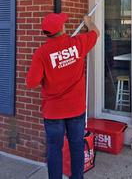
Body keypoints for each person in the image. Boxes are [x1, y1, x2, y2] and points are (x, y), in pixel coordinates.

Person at [26, 12, 100, 179]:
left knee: (54, 148)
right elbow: (96, 32)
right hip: (76, 109)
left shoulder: (41, 53)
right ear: (62, 28)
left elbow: (31, 82)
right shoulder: (78, 43)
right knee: (76, 146)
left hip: (53, 112)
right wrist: (88, 22)